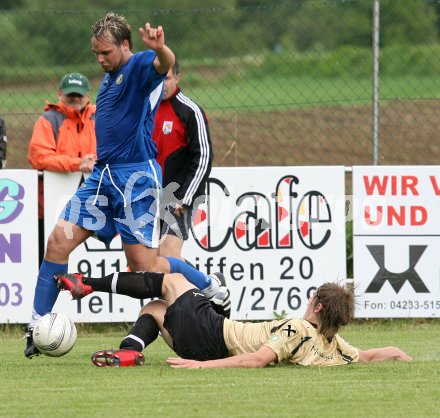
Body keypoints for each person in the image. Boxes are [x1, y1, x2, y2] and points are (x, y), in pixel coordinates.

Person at [24, 12, 230, 359]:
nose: (100, 59)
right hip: (103, 178)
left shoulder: (137, 69)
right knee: (58, 242)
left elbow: (165, 63)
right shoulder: (109, 76)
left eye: (105, 52)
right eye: (96, 54)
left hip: (135, 181)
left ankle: (209, 285)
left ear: (125, 45)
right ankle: (36, 326)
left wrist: (161, 48)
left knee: (146, 270)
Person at [55, 272, 412, 368]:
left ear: (317, 306)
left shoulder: (298, 328)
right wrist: (403, 356)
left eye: (312, 297)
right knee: (154, 310)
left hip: (214, 335)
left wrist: (200, 368)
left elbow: (257, 360)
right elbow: (379, 353)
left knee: (172, 281)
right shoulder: (335, 347)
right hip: (207, 342)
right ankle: (130, 351)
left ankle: (87, 284)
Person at [27, 72, 97, 266]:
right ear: (60, 93)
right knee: (48, 254)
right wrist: (77, 164)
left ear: (88, 95)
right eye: (70, 94)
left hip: (94, 204)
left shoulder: (100, 117)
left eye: (79, 94)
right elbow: (39, 157)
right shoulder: (49, 119)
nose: (75, 98)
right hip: (50, 204)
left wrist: (93, 161)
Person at [153, 60, 213, 258]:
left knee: (168, 252)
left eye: (167, 78)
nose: (162, 84)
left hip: (178, 195)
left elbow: (204, 156)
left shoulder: (190, 111)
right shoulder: (145, 109)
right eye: (158, 78)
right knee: (149, 261)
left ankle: (207, 284)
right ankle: (206, 284)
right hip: (148, 196)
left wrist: (186, 199)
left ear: (177, 78)